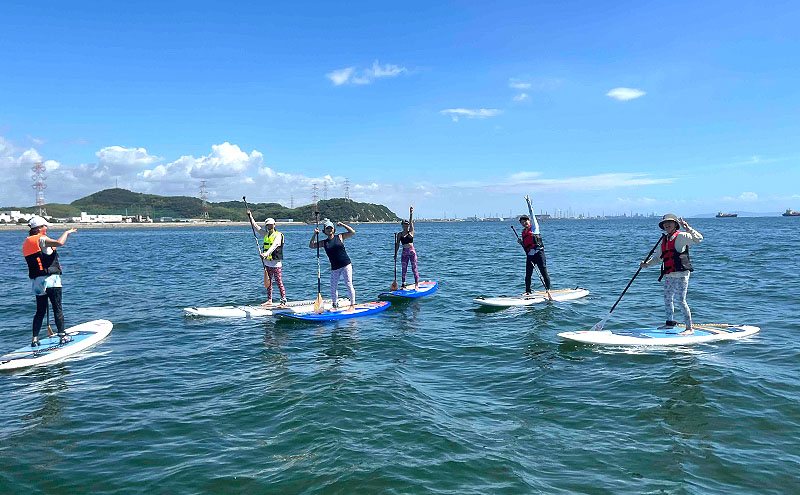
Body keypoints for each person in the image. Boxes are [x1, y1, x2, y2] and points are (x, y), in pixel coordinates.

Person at [640, 213, 703, 335]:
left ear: (675, 224)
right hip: (669, 275)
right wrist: (646, 264)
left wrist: (688, 228)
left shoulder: (681, 236)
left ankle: (689, 328)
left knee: (680, 300)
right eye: (664, 223)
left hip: (681, 275)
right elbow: (658, 259)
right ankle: (670, 324)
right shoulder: (664, 240)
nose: (666, 224)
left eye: (669, 222)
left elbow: (699, 239)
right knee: (667, 299)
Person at [22, 216, 77, 346]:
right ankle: (62, 337)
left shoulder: (27, 242)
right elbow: (59, 243)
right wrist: (67, 233)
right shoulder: (42, 239)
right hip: (51, 279)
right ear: (39, 228)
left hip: (37, 282)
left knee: (40, 311)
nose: (46, 228)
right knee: (57, 308)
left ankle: (35, 339)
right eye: (45, 226)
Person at [309, 219, 356, 311]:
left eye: (331, 228)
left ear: (334, 229)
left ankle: (352, 305)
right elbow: (311, 246)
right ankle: (335, 305)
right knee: (333, 286)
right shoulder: (324, 242)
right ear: (324, 231)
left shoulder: (340, 237)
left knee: (348, 284)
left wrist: (342, 224)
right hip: (335, 268)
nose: (329, 230)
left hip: (346, 264)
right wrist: (314, 234)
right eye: (327, 229)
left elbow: (352, 232)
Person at [247, 211, 287, 307]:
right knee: (268, 282)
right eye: (267, 225)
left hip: (276, 263)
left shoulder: (278, 235)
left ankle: (283, 301)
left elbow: (274, 246)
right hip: (267, 263)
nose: (269, 227)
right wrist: (250, 216)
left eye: (270, 225)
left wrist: (265, 254)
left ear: (274, 225)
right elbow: (256, 227)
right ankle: (269, 300)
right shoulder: (265, 234)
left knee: (279, 282)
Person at [518, 195, 553, 301]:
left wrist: (528, 202)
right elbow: (527, 246)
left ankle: (548, 290)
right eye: (522, 222)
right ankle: (528, 291)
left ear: (529, 221)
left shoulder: (534, 227)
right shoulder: (524, 232)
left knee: (543, 272)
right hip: (530, 255)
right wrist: (521, 243)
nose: (524, 223)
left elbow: (532, 213)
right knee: (528, 274)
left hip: (539, 254)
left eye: (525, 221)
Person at [394, 205, 419, 290]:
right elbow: (397, 244)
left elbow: (411, 222)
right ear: (402, 225)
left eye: (407, 225)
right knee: (403, 269)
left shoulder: (411, 232)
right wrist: (395, 254)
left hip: (412, 252)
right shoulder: (399, 234)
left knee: (414, 268)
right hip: (404, 252)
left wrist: (411, 213)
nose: (406, 226)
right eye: (404, 225)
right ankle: (403, 285)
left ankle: (416, 285)